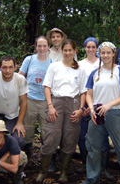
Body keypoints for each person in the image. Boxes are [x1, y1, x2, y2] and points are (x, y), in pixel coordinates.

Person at [82, 42, 120, 184]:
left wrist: (109, 105)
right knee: (93, 147)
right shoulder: (95, 73)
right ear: (99, 54)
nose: (105, 55)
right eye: (103, 53)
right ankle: (92, 179)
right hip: (96, 113)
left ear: (114, 54)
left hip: (114, 112)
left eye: (108, 52)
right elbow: (89, 94)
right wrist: (91, 108)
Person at [36, 39, 87, 183]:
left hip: (74, 103)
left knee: (70, 138)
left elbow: (83, 91)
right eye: (65, 50)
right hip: (56, 102)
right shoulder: (54, 66)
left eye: (71, 50)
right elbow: (47, 86)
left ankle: (64, 172)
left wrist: (81, 109)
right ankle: (43, 171)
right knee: (51, 136)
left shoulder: (80, 69)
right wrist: (50, 106)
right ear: (62, 51)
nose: (68, 53)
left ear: (75, 51)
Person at [78, 37, 112, 179]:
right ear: (84, 48)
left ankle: (104, 167)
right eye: (88, 47)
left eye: (93, 47)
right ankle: (86, 165)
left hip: (100, 103)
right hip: (84, 102)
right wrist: (84, 106)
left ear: (97, 49)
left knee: (103, 137)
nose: (91, 49)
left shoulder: (103, 62)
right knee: (82, 135)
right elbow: (80, 85)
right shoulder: (79, 64)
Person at [18, 35, 52, 161]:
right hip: (29, 99)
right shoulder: (29, 60)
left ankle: (46, 158)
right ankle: (25, 157)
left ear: (49, 47)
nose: (42, 48)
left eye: (44, 46)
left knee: (46, 130)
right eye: (39, 45)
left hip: (45, 101)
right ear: (36, 46)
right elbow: (20, 76)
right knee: (28, 128)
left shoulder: (52, 63)